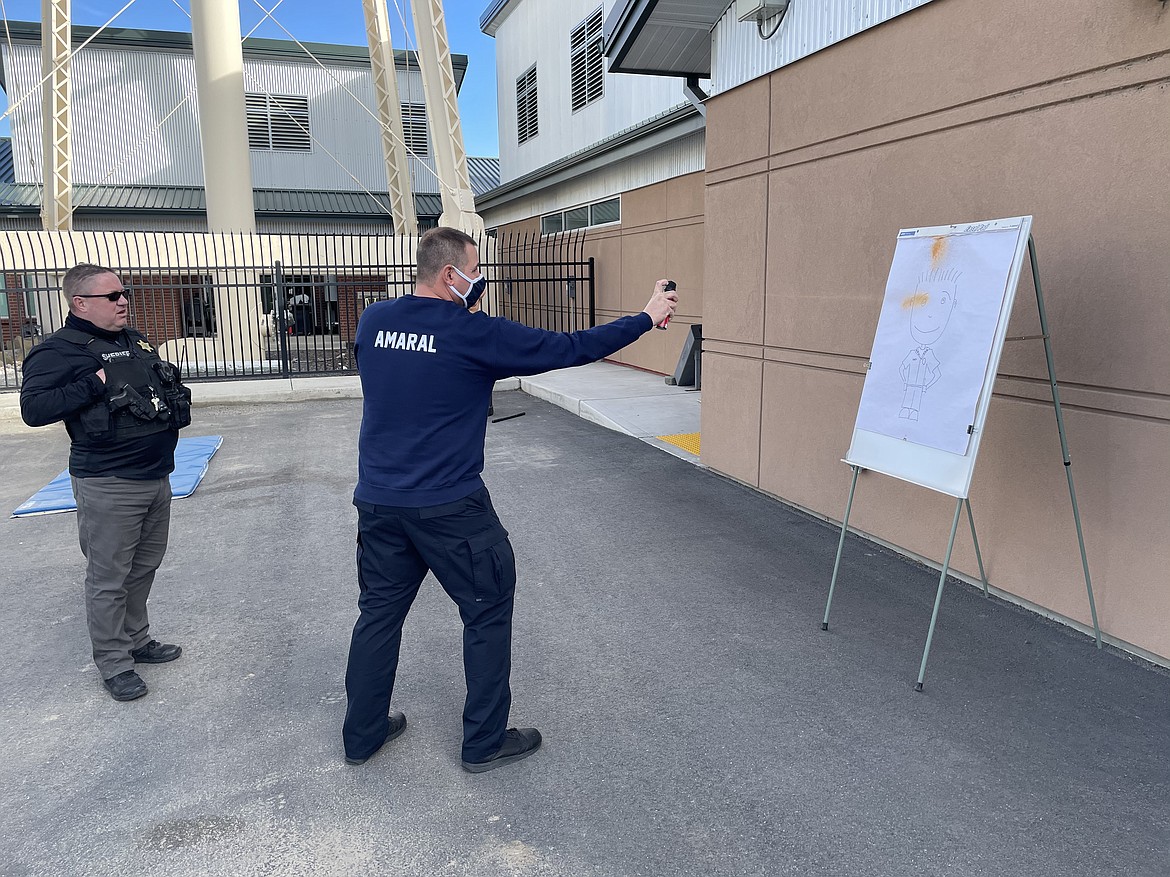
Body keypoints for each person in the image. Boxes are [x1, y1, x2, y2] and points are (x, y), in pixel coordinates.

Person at [344, 226, 678, 772]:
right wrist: (644, 318)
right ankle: (483, 742)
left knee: (378, 615)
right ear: (451, 275)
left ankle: (362, 736)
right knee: (487, 611)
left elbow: (406, 369)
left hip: (379, 502)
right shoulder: (475, 334)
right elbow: (571, 348)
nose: (478, 281)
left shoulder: (374, 320)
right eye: (473, 272)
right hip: (452, 507)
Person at [20, 263, 192, 702]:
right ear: (80, 303)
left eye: (124, 293)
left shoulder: (133, 341)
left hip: (156, 476)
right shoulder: (57, 351)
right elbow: (35, 409)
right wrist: (91, 386)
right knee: (108, 577)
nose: (123, 302)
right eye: (112, 296)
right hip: (109, 481)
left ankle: (137, 640)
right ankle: (115, 663)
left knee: (144, 566)